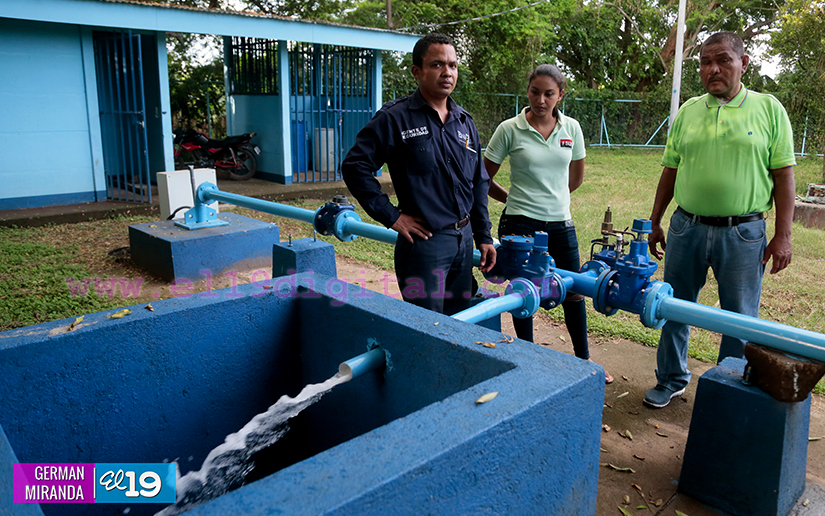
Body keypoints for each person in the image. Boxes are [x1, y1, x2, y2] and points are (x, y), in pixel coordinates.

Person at [644, 31, 796, 408]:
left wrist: (783, 236)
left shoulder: (768, 109)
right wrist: (656, 219)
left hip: (743, 233)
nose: (713, 69)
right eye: (705, 62)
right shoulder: (689, 111)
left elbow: (784, 175)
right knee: (673, 307)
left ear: (743, 63)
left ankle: (727, 389)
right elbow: (670, 169)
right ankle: (672, 378)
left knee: (740, 319)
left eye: (723, 60)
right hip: (686, 228)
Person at [341, 33, 496, 315]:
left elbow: (478, 182)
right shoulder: (395, 117)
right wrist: (392, 216)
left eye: (453, 65)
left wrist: (483, 235)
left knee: (460, 322)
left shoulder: (464, 122)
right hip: (425, 246)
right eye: (437, 65)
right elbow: (355, 166)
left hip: (463, 241)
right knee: (427, 327)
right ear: (417, 71)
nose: (447, 72)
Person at [483, 64, 613, 384]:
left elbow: (576, 178)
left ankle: (584, 359)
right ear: (527, 92)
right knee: (524, 290)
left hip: (560, 223)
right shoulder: (509, 129)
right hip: (518, 224)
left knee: (574, 290)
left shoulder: (572, 128)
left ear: (560, 95)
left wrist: (551, 199)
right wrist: (513, 200)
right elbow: (483, 177)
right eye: (535, 92)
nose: (541, 99)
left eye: (549, 93)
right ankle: (526, 358)